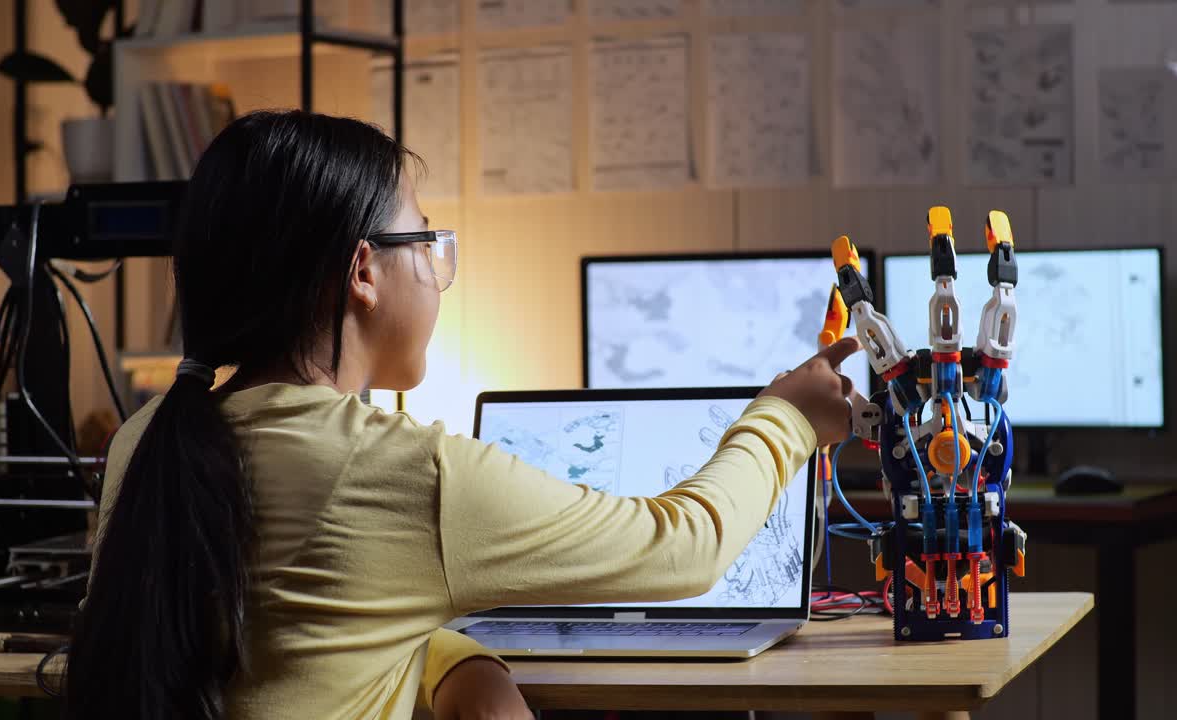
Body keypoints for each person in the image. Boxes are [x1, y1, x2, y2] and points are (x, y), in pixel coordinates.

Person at [63, 111, 861, 720]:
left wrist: (458, 663)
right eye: (426, 241)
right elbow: (682, 548)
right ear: (364, 271)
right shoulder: (402, 471)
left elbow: (305, 642)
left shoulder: (148, 440)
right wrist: (786, 418)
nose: (439, 273)